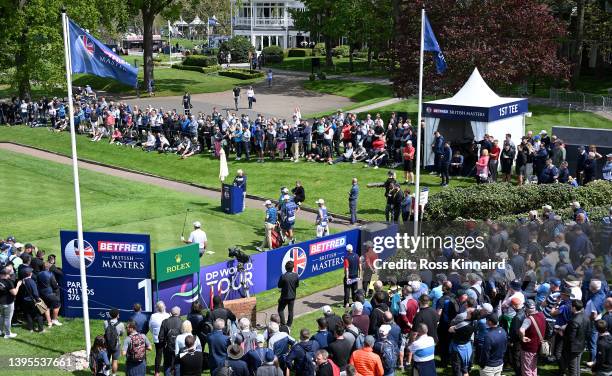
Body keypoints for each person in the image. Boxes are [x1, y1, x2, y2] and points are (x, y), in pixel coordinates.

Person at [519, 300, 546, 376]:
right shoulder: (542, 315)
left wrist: (523, 337)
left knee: (527, 369)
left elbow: (521, 330)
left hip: (529, 348)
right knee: (533, 368)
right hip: (538, 347)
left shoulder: (528, 319)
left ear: (526, 308)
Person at [562, 300, 589, 376]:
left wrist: (562, 333)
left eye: (571, 306)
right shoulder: (585, 317)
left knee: (573, 368)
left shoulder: (574, 320)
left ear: (574, 307)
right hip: (581, 345)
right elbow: (588, 331)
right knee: (577, 366)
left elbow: (571, 337)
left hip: (573, 348)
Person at [159, 306, 183, 376]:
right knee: (177, 365)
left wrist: (164, 345)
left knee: (167, 365)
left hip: (167, 348)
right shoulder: (182, 322)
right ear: (179, 313)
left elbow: (160, 337)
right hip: (179, 348)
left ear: (171, 313)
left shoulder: (165, 322)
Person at [150, 301, 170, 376]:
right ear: (164, 307)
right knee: (165, 354)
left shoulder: (153, 316)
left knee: (158, 355)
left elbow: (150, 327)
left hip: (158, 338)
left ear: (157, 308)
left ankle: (157, 372)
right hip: (165, 338)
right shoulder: (167, 315)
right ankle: (165, 370)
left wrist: (155, 333)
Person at [104, 308, 126, 376]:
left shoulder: (105, 322)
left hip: (107, 344)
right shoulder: (121, 324)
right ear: (117, 315)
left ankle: (106, 374)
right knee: (115, 361)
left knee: (106, 360)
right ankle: (113, 374)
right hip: (116, 345)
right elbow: (122, 334)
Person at [0, 267, 21, 338]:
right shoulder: (9, 282)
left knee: (2, 316)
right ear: (7, 274)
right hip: (8, 302)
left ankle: (0, 331)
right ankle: (7, 334)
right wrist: (18, 286)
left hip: (1, 302)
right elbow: (14, 293)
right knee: (7, 318)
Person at [277, 260, 299, 327]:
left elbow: (279, 285)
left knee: (280, 309)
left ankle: (283, 324)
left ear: (286, 268)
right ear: (293, 268)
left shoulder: (283, 276)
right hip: (292, 296)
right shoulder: (296, 275)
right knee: (290, 311)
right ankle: (289, 324)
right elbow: (297, 285)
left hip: (284, 297)